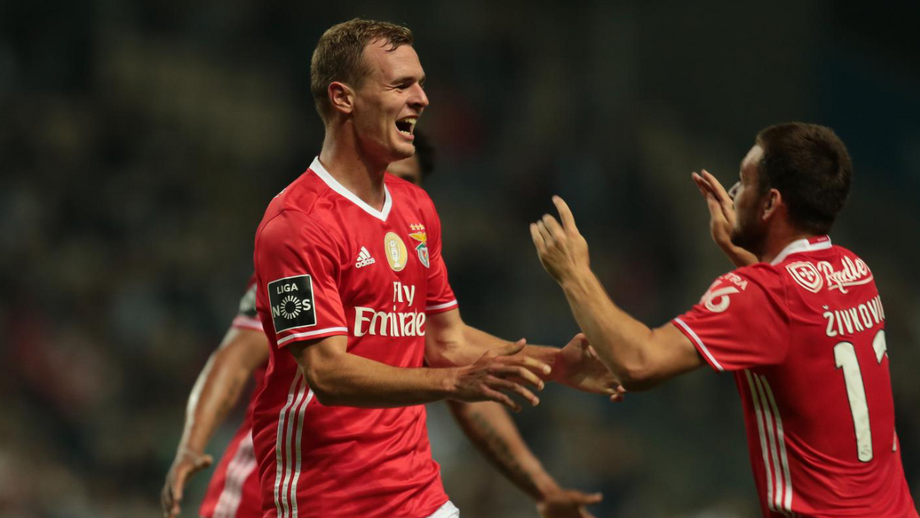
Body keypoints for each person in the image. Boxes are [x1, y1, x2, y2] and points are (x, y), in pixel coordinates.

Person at [252, 19, 617, 518]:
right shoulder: (294, 224)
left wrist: (558, 365)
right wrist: (453, 383)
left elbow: (447, 342)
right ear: (343, 98)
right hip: (325, 500)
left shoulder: (415, 207)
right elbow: (326, 372)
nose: (422, 99)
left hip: (417, 494)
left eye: (421, 83)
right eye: (401, 85)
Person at [160, 133, 605, 518]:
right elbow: (237, 357)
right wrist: (191, 446)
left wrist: (542, 485)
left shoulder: (413, 259)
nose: (390, 190)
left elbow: (468, 380)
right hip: (274, 495)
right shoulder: (305, 250)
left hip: (393, 495)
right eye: (387, 175)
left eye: (407, 181)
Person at [530, 122, 918, 517]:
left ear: (769, 204)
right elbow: (793, 315)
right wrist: (740, 249)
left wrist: (574, 273)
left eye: (744, 182)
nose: (732, 192)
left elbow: (638, 363)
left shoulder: (760, 294)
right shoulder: (855, 271)